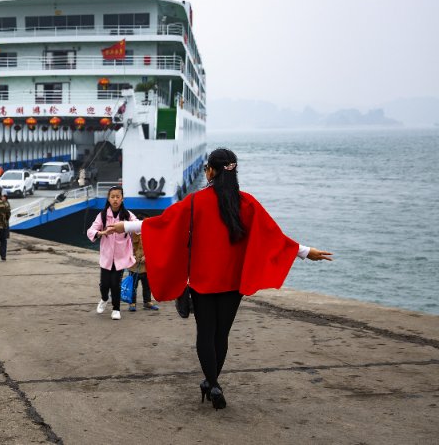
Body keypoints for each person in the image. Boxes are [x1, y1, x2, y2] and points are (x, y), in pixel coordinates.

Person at [107, 148, 333, 409]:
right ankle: (210, 382)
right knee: (221, 335)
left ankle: (213, 384)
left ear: (210, 171)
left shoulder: (195, 201)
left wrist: (125, 225)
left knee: (205, 333)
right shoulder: (246, 203)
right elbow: (272, 236)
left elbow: (165, 223)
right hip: (232, 283)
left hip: (203, 281)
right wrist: (305, 252)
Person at [86, 185, 138, 320]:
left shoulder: (127, 215)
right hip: (107, 256)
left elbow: (138, 227)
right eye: (112, 197)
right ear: (108, 199)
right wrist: (103, 232)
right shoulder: (103, 215)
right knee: (104, 284)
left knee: (116, 284)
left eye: (118, 197)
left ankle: (116, 309)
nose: (115, 199)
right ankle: (104, 299)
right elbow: (90, 231)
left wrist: (127, 227)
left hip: (121, 256)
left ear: (122, 199)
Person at [127, 226, 159, 312]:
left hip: (146, 266)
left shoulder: (149, 234)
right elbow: (127, 248)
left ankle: (147, 302)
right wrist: (132, 257)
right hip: (134, 266)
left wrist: (146, 256)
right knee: (133, 286)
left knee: (147, 286)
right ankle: (132, 303)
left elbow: (153, 248)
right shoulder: (131, 234)